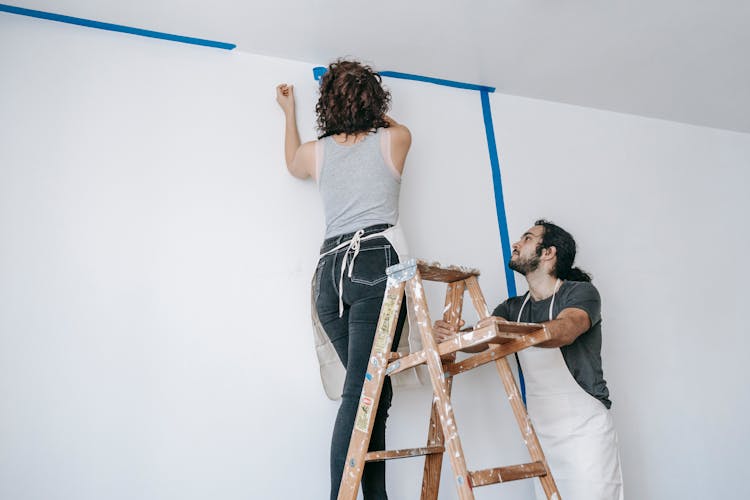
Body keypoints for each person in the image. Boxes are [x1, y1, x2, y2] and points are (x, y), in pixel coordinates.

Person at [276, 59, 412, 500]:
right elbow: (393, 124)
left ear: (328, 107)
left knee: (376, 392)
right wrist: (367, 109)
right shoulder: (396, 139)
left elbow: (293, 164)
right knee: (362, 392)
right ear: (375, 103)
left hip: (330, 276)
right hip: (373, 263)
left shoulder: (318, 151)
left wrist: (288, 113)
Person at [435, 219, 623, 499]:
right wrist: (454, 336)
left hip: (585, 434)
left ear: (548, 253)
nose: (516, 243)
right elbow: (483, 336)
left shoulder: (579, 293)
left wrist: (511, 331)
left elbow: (567, 329)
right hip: (543, 435)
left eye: (527, 238)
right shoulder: (513, 307)